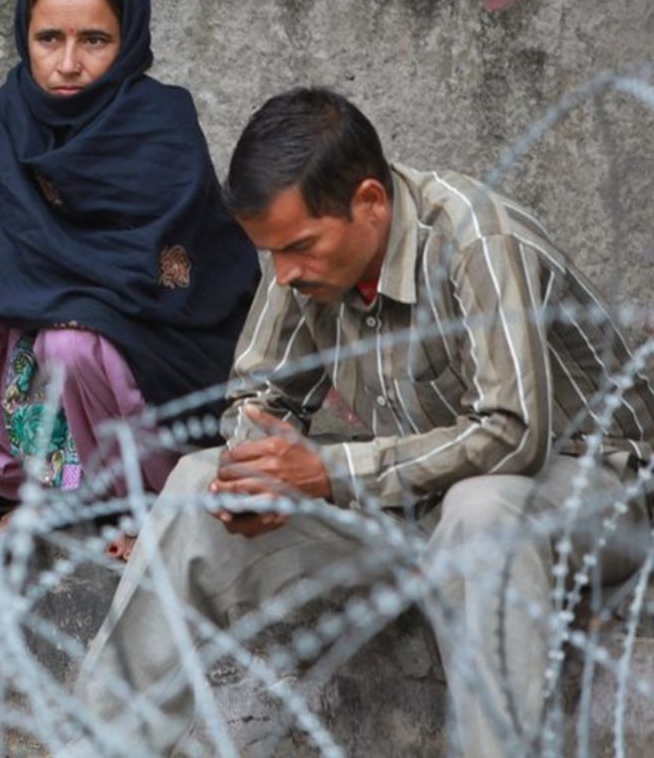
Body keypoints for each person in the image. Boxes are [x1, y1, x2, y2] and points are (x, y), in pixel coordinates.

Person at [83, 86, 654, 755]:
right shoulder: (302, 264)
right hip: (406, 500)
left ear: (370, 204)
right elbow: (255, 399)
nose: (285, 273)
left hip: (588, 495)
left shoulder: (475, 237)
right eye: (272, 253)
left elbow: (512, 434)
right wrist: (257, 475)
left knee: (482, 507)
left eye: (299, 246)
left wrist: (328, 471)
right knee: (195, 481)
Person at [0, 0, 258, 505]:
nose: (68, 63)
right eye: (49, 38)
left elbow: (167, 286)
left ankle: (134, 504)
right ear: (24, 38)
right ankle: (31, 493)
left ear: (128, 40)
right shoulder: (11, 115)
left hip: (140, 361)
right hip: (27, 344)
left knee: (73, 343)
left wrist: (60, 304)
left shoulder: (160, 126)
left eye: (95, 41)